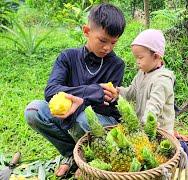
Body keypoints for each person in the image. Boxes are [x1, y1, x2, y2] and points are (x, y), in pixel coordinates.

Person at [24, 3, 126, 177]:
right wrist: (92, 92)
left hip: (100, 122)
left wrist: (83, 100)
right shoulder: (67, 57)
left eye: (113, 42)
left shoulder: (117, 65)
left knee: (85, 117)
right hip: (71, 118)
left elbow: (106, 105)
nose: (108, 47)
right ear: (86, 31)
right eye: (102, 40)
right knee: (33, 111)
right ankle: (71, 154)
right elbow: (51, 91)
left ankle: (89, 160)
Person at [105, 29, 176, 134]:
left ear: (156, 56)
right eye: (136, 58)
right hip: (142, 128)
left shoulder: (162, 80)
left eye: (140, 57)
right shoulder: (142, 73)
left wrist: (146, 122)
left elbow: (154, 106)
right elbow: (132, 91)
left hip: (159, 131)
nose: (137, 61)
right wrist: (117, 93)